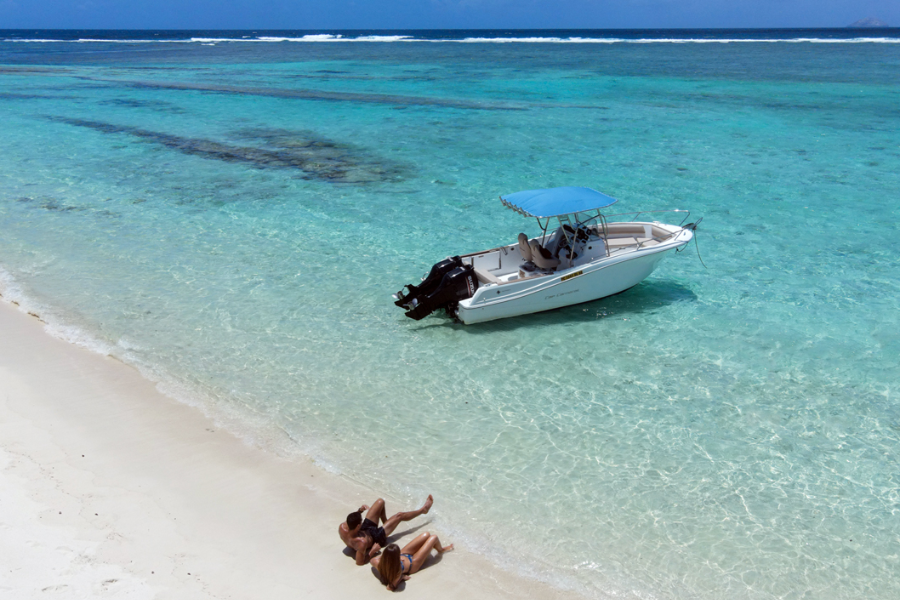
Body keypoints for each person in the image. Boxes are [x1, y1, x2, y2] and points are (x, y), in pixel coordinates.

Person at [339, 495, 433, 565]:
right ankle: (423, 510)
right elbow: (360, 562)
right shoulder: (361, 543)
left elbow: (351, 519)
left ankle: (387, 523)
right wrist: (372, 551)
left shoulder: (342, 527)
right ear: (358, 526)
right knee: (399, 515)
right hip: (376, 536)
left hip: (365, 529)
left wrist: (360, 510)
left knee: (380, 501)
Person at [371, 533, 454, 591]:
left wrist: (387, 558)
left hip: (405, 554)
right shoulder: (396, 573)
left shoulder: (376, 562)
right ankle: (441, 550)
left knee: (426, 534)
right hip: (412, 564)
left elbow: (372, 561)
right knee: (434, 537)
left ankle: (425, 548)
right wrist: (402, 577)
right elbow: (390, 587)